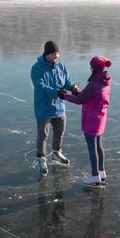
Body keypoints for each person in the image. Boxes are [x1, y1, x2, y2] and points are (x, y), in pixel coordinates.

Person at [59, 56, 112, 188]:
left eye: (91, 66)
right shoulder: (103, 81)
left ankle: (95, 176)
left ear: (94, 67)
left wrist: (64, 96)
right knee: (99, 146)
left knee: (92, 148)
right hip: (100, 118)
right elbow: (87, 96)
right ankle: (101, 172)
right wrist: (77, 93)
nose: (89, 67)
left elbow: (80, 100)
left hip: (91, 119)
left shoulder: (94, 84)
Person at [31, 41, 79, 175]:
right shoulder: (37, 68)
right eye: (53, 54)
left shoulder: (61, 66)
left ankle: (56, 153)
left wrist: (72, 88)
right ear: (47, 54)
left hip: (59, 107)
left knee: (60, 132)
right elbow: (40, 87)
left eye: (57, 54)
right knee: (43, 135)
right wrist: (56, 92)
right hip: (44, 107)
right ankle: (41, 158)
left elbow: (67, 82)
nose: (56, 57)